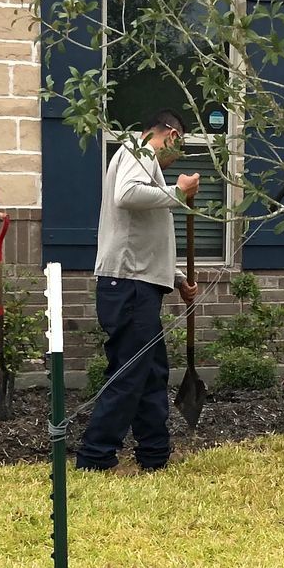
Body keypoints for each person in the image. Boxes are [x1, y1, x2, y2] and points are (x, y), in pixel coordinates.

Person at [76, 110, 200, 471]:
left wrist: (175, 278)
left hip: (139, 285)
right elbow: (127, 195)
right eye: (181, 145)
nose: (178, 156)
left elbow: (143, 235)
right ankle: (95, 458)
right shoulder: (138, 149)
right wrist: (178, 191)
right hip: (128, 286)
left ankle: (154, 455)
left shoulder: (144, 160)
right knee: (130, 374)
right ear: (171, 133)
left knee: (150, 373)